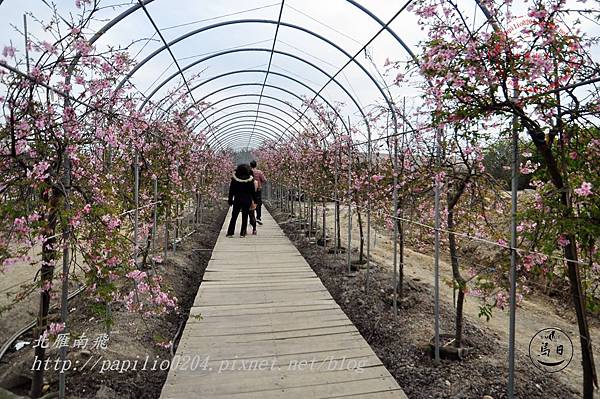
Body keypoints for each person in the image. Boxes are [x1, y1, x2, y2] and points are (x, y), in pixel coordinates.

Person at [226, 164, 257, 237]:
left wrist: (230, 200)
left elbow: (231, 191)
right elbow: (253, 191)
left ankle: (230, 232)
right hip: (247, 199)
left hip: (237, 199)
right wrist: (255, 200)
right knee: (245, 216)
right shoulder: (250, 179)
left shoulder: (234, 179)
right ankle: (242, 233)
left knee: (234, 216)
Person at [250, 160, 267, 224]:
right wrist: (260, 182)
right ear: (256, 165)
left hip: (250, 190)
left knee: (251, 203)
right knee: (258, 203)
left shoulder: (249, 172)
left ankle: (251, 218)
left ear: (250, 165)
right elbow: (264, 180)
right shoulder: (259, 172)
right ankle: (258, 217)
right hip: (258, 190)